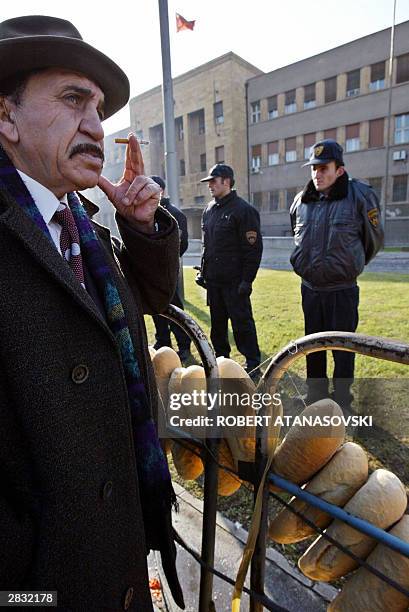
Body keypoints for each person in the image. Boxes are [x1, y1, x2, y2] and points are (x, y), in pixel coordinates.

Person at [0, 15, 184, 611]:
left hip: (115, 560)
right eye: (73, 100)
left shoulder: (78, 221)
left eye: (99, 109)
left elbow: (151, 308)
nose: (96, 127)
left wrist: (141, 227)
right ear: (5, 116)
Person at [290, 139, 384, 407]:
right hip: (310, 289)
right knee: (313, 348)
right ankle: (316, 396)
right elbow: (298, 236)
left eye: (323, 168)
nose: (317, 174)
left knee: (343, 349)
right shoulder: (301, 200)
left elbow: (373, 239)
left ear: (339, 170)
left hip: (342, 291)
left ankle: (343, 401)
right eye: (313, 168)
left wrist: (348, 265)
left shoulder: (359, 195)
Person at [197, 163, 263, 376]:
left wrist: (247, 281)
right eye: (209, 182)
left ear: (226, 181)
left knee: (242, 325)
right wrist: (203, 272)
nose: (210, 186)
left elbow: (253, 250)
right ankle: (221, 361)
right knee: (217, 327)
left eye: (213, 181)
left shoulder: (244, 211)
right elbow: (207, 244)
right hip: (215, 282)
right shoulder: (209, 210)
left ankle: (253, 363)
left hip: (235, 283)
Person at [150, 175, 192, 361]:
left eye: (153, 190)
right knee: (155, 308)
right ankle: (163, 341)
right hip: (150, 271)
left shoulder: (175, 214)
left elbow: (182, 244)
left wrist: (168, 262)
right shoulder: (144, 212)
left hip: (168, 272)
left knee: (174, 308)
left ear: (162, 191)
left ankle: (184, 345)